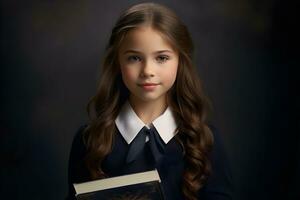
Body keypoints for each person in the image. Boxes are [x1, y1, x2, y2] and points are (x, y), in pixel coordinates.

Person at [66, 2, 233, 200]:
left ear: (180, 61)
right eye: (134, 58)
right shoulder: (89, 141)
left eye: (161, 58)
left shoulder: (205, 141)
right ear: (118, 62)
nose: (147, 71)